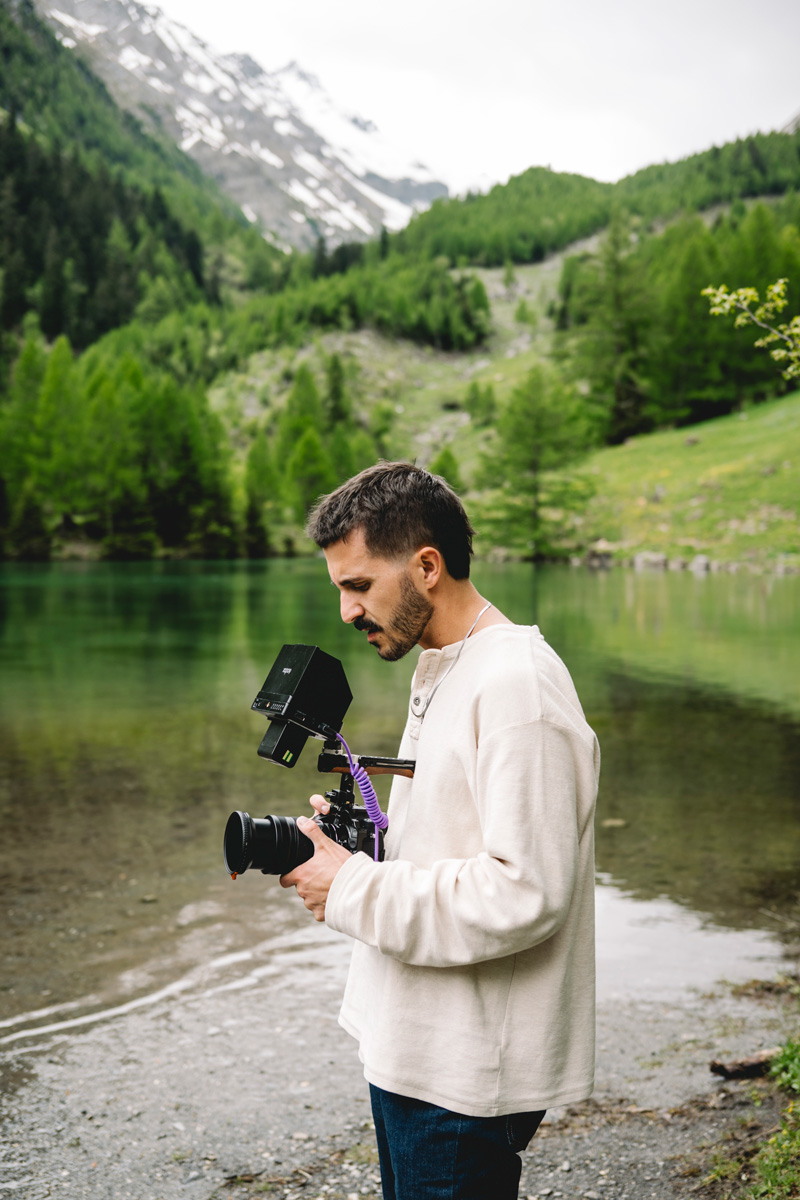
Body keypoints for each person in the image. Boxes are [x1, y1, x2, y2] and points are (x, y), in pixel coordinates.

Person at [281, 462, 600, 1200]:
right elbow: (454, 842)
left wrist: (351, 888)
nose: (346, 611)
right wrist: (359, 850)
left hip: (464, 1075)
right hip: (415, 1046)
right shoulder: (446, 666)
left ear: (427, 567)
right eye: (339, 588)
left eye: (359, 585)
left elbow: (524, 892)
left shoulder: (517, 685)